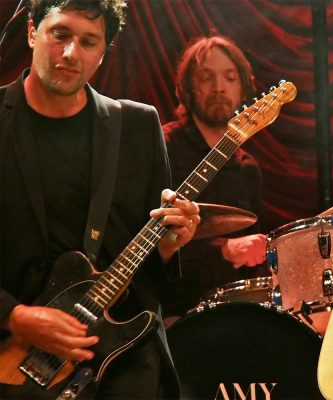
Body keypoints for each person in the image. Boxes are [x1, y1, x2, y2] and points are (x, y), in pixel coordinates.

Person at [0, 0, 200, 398]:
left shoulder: (138, 126)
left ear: (104, 52)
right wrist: (15, 316)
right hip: (13, 352)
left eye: (89, 42)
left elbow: (157, 277)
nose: (72, 53)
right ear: (31, 32)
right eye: (60, 34)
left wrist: (170, 244)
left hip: (122, 352)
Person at [157, 36, 268, 318]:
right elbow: (142, 243)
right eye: (207, 77)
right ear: (188, 89)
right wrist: (223, 250)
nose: (219, 88)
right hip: (171, 315)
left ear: (243, 88)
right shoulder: (163, 147)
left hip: (234, 314)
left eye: (230, 78)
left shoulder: (247, 168)